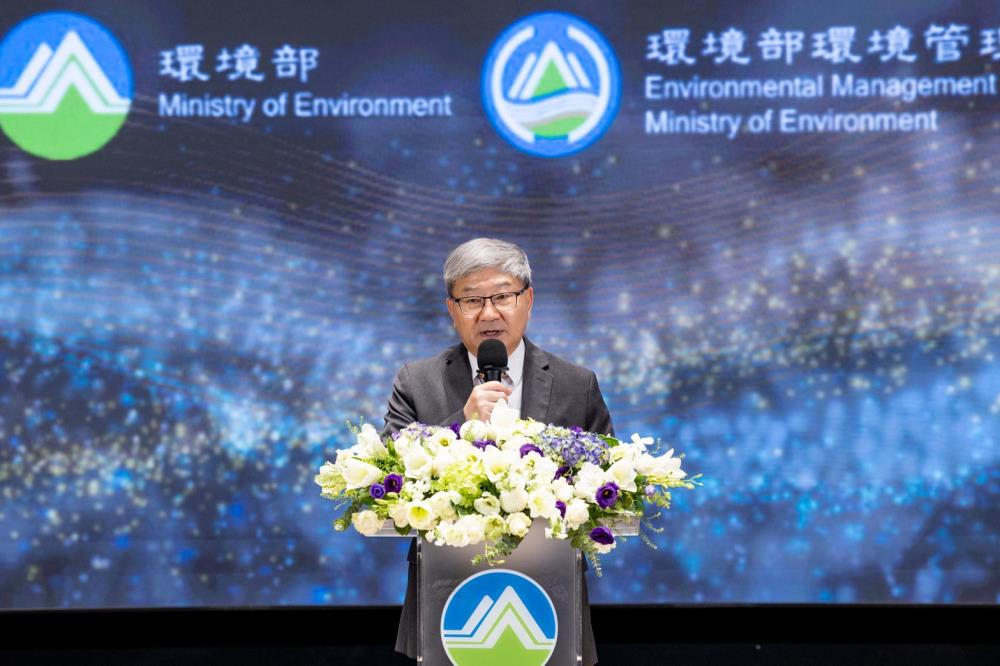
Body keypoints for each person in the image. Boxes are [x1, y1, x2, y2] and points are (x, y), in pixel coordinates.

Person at [383, 237, 613, 664]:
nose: (489, 313)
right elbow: (388, 477)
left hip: (549, 607)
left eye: (503, 296)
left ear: (528, 299)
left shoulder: (575, 384)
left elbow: (609, 482)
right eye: (472, 300)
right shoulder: (417, 381)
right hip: (446, 605)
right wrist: (460, 423)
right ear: (452, 309)